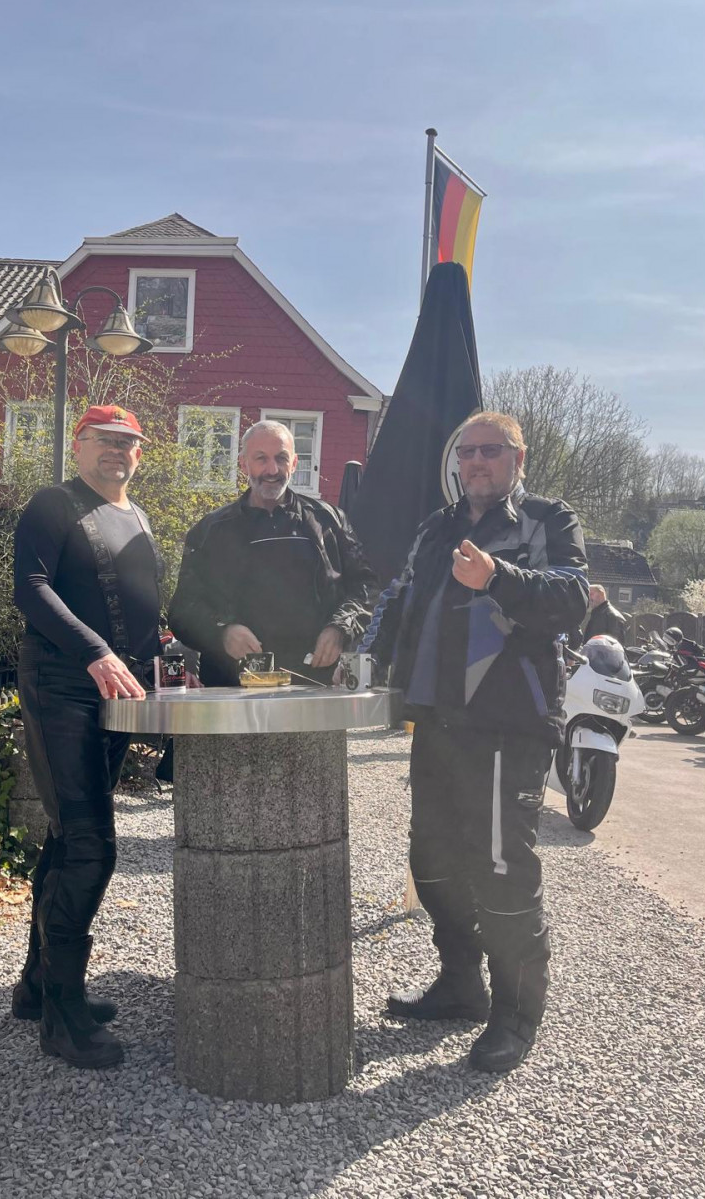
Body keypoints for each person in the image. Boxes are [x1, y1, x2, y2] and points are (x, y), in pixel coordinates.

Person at [370, 410, 588, 1073]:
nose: (475, 462)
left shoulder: (546, 520)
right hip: (436, 720)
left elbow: (573, 596)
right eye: (466, 453)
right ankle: (461, 983)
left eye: (490, 451)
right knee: (432, 860)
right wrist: (357, 649)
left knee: (500, 867)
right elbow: (398, 596)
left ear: (518, 459)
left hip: (507, 725)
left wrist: (497, 576)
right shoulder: (437, 527)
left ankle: (515, 1016)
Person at [13, 403, 161, 1069]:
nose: (115, 451)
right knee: (91, 849)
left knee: (65, 837)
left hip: (114, 692)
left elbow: (137, 608)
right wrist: (95, 650)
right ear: (78, 445)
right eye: (103, 440)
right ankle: (63, 1019)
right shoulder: (53, 504)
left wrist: (164, 658)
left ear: (140, 453)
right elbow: (31, 589)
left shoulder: (138, 516)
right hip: (62, 682)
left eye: (126, 443)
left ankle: (38, 984)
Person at [169, 420, 376, 686]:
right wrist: (222, 632)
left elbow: (366, 587)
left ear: (294, 463)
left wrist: (341, 628)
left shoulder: (330, 521)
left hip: (314, 684)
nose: (272, 470)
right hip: (233, 685)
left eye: (281, 458)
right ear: (243, 464)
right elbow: (183, 609)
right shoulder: (209, 530)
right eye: (261, 459)